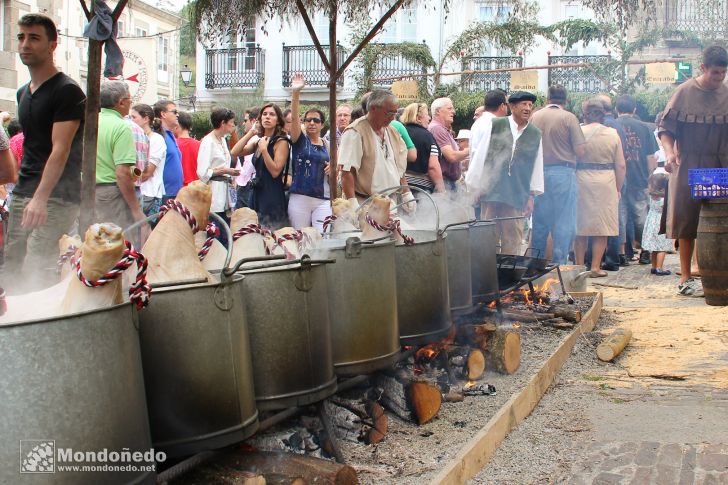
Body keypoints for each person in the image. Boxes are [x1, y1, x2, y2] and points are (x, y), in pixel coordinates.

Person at [2, 13, 85, 291]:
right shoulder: (23, 92)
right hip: (24, 191)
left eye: (34, 38)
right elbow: (32, 146)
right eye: (21, 37)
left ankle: (46, 328)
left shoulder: (67, 91)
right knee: (11, 266)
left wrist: (40, 198)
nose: (25, 44)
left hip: (57, 196)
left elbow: (59, 151)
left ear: (52, 45)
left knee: (36, 266)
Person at [659, 45, 728, 296]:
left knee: (721, 217)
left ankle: (717, 271)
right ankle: (685, 277)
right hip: (688, 162)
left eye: (722, 73)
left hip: (720, 164)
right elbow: (665, 130)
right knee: (687, 221)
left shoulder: (727, 93)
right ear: (703, 68)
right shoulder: (684, 92)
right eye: (715, 73)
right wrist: (669, 152)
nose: (719, 78)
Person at [467, 91, 544, 255]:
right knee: (489, 238)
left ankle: (509, 275)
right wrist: (475, 187)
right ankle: (487, 275)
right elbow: (481, 156)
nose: (528, 108)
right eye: (524, 104)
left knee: (512, 238)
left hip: (517, 193)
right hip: (491, 191)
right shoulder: (496, 125)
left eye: (530, 105)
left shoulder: (535, 134)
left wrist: (531, 195)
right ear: (512, 106)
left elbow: (536, 167)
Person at [530, 85, 587, 265]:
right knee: (563, 219)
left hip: (538, 173)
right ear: (565, 99)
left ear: (548, 98)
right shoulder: (569, 117)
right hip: (563, 172)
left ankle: (536, 265)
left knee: (539, 220)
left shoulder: (535, 116)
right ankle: (559, 263)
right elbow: (580, 150)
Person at [573, 99, 626, 277]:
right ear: (603, 115)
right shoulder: (612, 134)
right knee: (602, 225)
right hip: (606, 180)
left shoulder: (579, 131)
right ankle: (595, 267)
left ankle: (579, 266)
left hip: (581, 178)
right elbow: (621, 165)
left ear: (585, 114)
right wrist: (618, 187)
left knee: (580, 224)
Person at [339, 90, 414, 210]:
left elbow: (399, 166)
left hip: (390, 201)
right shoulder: (355, 132)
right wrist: (353, 204)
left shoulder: (392, 131)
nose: (392, 117)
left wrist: (406, 192)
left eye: (394, 113)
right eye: (389, 112)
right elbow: (347, 172)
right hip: (365, 203)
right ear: (373, 108)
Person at [94, 81, 146, 243]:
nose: (131, 103)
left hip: (89, 194)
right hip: (112, 196)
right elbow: (123, 173)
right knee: (119, 247)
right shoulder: (121, 127)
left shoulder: (89, 122)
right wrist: (137, 211)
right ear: (121, 102)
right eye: (130, 99)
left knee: (95, 245)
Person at [615, 94, 658, 266]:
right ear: (634, 109)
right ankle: (645, 251)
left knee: (621, 217)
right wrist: (649, 177)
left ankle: (622, 254)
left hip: (617, 179)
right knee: (641, 218)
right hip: (640, 178)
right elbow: (651, 158)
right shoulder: (645, 128)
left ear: (617, 109)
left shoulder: (612, 126)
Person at [231, 103, 290, 228]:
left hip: (272, 194)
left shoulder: (281, 142)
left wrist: (264, 150)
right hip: (256, 193)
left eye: (272, 114)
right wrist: (251, 133)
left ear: (278, 120)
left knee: (271, 232)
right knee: (255, 230)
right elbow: (235, 152)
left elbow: (275, 171)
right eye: (264, 114)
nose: (267, 117)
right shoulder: (259, 141)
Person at [286, 75, 332, 232]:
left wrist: (334, 167)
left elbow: (338, 170)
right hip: (300, 198)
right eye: (308, 120)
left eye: (316, 120)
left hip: (323, 199)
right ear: (304, 123)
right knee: (301, 238)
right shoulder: (299, 141)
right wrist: (296, 93)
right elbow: (294, 117)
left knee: (323, 237)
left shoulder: (329, 146)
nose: (312, 123)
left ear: (322, 125)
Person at [197, 108, 240, 241]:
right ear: (223, 123)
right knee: (216, 231)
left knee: (225, 230)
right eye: (231, 122)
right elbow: (202, 172)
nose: (233, 125)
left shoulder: (222, 140)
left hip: (224, 193)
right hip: (214, 192)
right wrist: (225, 171)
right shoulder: (208, 142)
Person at [130, 104, 166, 220]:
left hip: (149, 193)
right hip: (138, 191)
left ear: (145, 119)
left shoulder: (156, 140)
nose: (131, 121)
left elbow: (147, 173)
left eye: (134, 117)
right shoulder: (135, 137)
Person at [401, 102, 445, 193]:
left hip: (400, 186)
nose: (429, 118)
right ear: (418, 118)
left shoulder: (399, 133)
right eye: (427, 115)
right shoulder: (427, 136)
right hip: (421, 190)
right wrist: (441, 189)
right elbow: (433, 166)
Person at [428, 97, 469, 190]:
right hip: (446, 184)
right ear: (438, 111)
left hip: (449, 183)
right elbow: (452, 156)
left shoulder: (441, 129)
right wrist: (472, 149)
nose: (453, 111)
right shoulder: (437, 129)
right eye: (449, 108)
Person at [641, 171, 673, 276]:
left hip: (651, 223)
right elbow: (666, 211)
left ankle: (654, 267)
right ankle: (659, 268)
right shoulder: (664, 199)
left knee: (655, 248)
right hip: (660, 224)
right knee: (662, 247)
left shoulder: (652, 196)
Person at [153, 100, 183, 202]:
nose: (177, 115)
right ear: (163, 114)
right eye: (174, 112)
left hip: (175, 193)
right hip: (164, 194)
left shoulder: (169, 135)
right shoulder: (157, 136)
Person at [232, 107, 260, 209]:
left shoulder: (257, 140)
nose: (243, 123)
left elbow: (249, 167)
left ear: (253, 121)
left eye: (245, 120)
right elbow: (235, 152)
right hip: (244, 187)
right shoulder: (250, 139)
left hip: (249, 187)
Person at [125, 111, 148, 204]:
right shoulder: (140, 131)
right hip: (136, 189)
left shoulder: (105, 124)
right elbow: (146, 166)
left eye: (135, 117)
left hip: (112, 189)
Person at [176, 111, 201, 186]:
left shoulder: (174, 145)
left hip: (179, 189)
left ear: (177, 125)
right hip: (196, 187)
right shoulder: (200, 145)